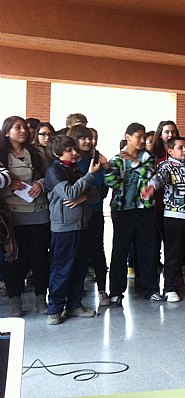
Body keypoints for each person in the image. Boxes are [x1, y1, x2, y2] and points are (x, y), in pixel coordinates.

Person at [143, 137, 185, 302]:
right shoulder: (166, 166)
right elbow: (159, 178)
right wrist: (151, 187)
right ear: (170, 151)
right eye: (180, 147)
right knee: (173, 253)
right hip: (175, 216)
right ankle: (170, 288)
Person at [103, 122, 163, 305]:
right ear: (127, 137)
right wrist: (107, 169)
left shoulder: (149, 157)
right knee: (120, 251)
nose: (142, 140)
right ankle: (115, 292)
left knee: (149, 250)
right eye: (138, 136)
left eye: (144, 137)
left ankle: (151, 289)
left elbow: (148, 174)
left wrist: (134, 161)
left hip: (144, 209)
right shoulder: (116, 160)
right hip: (123, 211)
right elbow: (112, 182)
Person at [44, 134, 101, 324]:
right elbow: (69, 193)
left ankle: (74, 305)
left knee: (79, 267)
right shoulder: (54, 171)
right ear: (56, 152)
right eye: (69, 150)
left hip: (82, 225)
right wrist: (89, 176)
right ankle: (55, 309)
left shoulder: (75, 169)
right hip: (64, 228)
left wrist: (83, 197)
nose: (75, 153)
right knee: (62, 268)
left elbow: (95, 194)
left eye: (74, 149)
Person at [0, 116, 50, 317]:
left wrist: (40, 183)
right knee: (13, 259)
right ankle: (15, 300)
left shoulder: (37, 152)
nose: (23, 131)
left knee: (39, 257)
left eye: (24, 128)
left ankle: (41, 298)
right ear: (6, 132)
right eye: (17, 127)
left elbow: (50, 175)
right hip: (12, 215)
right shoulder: (2, 155)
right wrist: (8, 184)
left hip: (38, 212)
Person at [68, 125, 110, 307]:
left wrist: (104, 166)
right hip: (73, 215)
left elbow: (101, 187)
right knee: (77, 254)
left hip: (94, 212)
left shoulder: (96, 159)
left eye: (90, 138)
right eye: (83, 138)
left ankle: (102, 290)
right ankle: (73, 295)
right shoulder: (70, 160)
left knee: (97, 251)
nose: (88, 141)